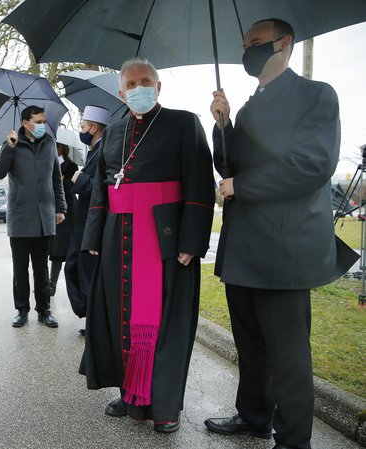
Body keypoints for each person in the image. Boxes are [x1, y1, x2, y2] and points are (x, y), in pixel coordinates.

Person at [204, 19, 356, 449]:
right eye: (245, 45)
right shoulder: (251, 106)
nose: (248, 52)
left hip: (284, 250)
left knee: (289, 357)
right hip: (244, 249)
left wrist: (242, 187)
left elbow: (312, 166)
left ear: (284, 43)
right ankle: (254, 417)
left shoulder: (316, 96)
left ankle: (293, 441)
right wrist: (224, 123)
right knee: (251, 346)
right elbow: (229, 167)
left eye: (256, 44)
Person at [80, 58, 215, 433]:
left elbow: (200, 184)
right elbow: (101, 188)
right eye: (131, 84)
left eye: (146, 82)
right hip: (118, 236)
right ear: (121, 92)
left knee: (165, 322)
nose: (139, 88)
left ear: (158, 87)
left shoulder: (184, 123)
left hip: (165, 239)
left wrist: (192, 240)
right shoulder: (115, 131)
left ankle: (164, 404)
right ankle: (131, 395)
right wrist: (93, 236)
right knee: (121, 318)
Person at [0, 105, 67, 328]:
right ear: (26, 123)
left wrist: (60, 208)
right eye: (39, 121)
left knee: (41, 268)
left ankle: (44, 310)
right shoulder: (12, 144)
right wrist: (9, 147)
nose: (43, 125)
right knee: (20, 268)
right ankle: (21, 310)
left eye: (44, 121)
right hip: (20, 217)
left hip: (45, 217)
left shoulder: (50, 144)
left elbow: (56, 179)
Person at [66, 105, 110, 332]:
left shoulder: (105, 150)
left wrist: (80, 180)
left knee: (86, 272)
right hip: (82, 223)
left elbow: (106, 190)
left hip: (93, 225)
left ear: (93, 128)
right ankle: (89, 313)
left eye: (83, 126)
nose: (81, 130)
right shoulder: (93, 151)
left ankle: (94, 319)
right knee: (73, 267)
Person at [48, 142, 77, 296]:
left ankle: (52, 284)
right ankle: (47, 283)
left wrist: (59, 179)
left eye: (56, 146)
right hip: (50, 209)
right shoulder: (49, 163)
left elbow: (68, 187)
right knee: (51, 248)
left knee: (59, 248)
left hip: (67, 211)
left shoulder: (71, 166)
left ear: (61, 149)